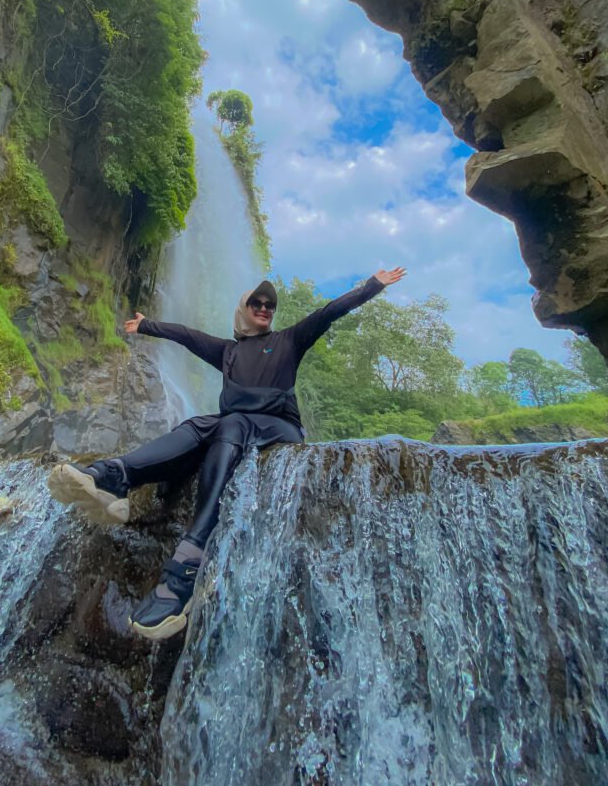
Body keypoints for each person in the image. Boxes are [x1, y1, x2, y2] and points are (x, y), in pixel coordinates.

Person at [48, 267, 406, 640]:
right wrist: (147, 325)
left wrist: (373, 286)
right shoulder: (229, 352)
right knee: (201, 425)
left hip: (279, 427)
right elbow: (188, 336)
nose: (265, 307)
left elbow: (329, 312)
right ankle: (115, 476)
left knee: (229, 423)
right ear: (244, 308)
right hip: (235, 426)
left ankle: (189, 562)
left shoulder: (289, 340)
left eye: (270, 304)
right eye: (257, 302)